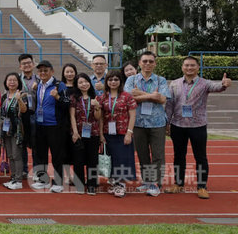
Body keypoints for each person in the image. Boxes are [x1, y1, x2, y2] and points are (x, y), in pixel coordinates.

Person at [165, 56, 231, 199]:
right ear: (182, 67)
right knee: (179, 156)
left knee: (200, 157)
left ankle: (202, 186)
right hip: (178, 125)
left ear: (198, 67)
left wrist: (224, 84)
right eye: (187, 65)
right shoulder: (174, 84)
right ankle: (179, 184)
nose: (189, 68)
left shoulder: (204, 83)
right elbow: (169, 105)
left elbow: (217, 87)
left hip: (198, 125)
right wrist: (167, 123)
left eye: (192, 65)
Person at [125, 50, 170, 197]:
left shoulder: (161, 80)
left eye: (151, 61)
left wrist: (140, 95)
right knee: (142, 154)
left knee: (158, 154)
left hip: (157, 123)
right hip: (137, 122)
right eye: (145, 61)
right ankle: (147, 181)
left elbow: (162, 99)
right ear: (139, 63)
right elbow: (129, 99)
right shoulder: (131, 80)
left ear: (155, 63)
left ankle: (155, 183)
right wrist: (152, 96)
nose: (148, 64)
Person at [30, 60, 69, 193]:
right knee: (41, 154)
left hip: (54, 125)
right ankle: (43, 180)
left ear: (52, 71)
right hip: (40, 125)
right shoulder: (39, 85)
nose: (43, 73)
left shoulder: (59, 85)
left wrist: (57, 96)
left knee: (57, 154)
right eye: (40, 71)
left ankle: (58, 182)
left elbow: (67, 104)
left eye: (45, 70)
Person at [98, 69, 137, 198]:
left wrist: (129, 133)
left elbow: (132, 115)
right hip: (108, 133)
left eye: (116, 79)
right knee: (112, 159)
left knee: (123, 159)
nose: (113, 82)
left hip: (122, 133)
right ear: (106, 81)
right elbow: (101, 117)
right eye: (110, 79)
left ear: (120, 81)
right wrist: (101, 134)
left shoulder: (127, 96)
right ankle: (114, 182)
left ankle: (121, 185)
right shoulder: (102, 97)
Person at [69, 73, 102, 195]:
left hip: (93, 133)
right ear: (77, 85)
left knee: (92, 160)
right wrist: (75, 132)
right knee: (78, 160)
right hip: (78, 133)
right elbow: (72, 116)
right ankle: (79, 184)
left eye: (86, 81)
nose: (84, 84)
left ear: (90, 82)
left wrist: (97, 107)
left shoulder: (96, 97)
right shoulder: (74, 98)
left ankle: (92, 185)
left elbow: (98, 118)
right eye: (80, 82)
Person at [0, 73, 27, 190]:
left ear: (18, 82)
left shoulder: (22, 94)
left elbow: (24, 110)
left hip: (17, 130)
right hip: (6, 130)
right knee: (10, 155)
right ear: (6, 82)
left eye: (14, 80)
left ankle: (18, 180)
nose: (12, 82)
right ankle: (13, 177)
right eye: (9, 80)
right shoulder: (4, 96)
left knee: (17, 155)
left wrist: (19, 99)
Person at [18, 54, 40, 177]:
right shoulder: (15, 79)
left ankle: (37, 171)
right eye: (24, 63)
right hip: (21, 116)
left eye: (29, 63)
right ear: (20, 66)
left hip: (36, 115)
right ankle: (23, 169)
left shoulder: (39, 79)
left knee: (36, 145)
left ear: (33, 64)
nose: (27, 65)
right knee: (21, 144)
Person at [60, 63, 78, 186]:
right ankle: (67, 176)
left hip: (78, 123)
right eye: (67, 72)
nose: (70, 74)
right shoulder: (60, 87)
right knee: (63, 151)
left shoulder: (79, 86)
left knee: (76, 151)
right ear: (63, 73)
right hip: (63, 123)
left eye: (72, 71)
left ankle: (77, 176)